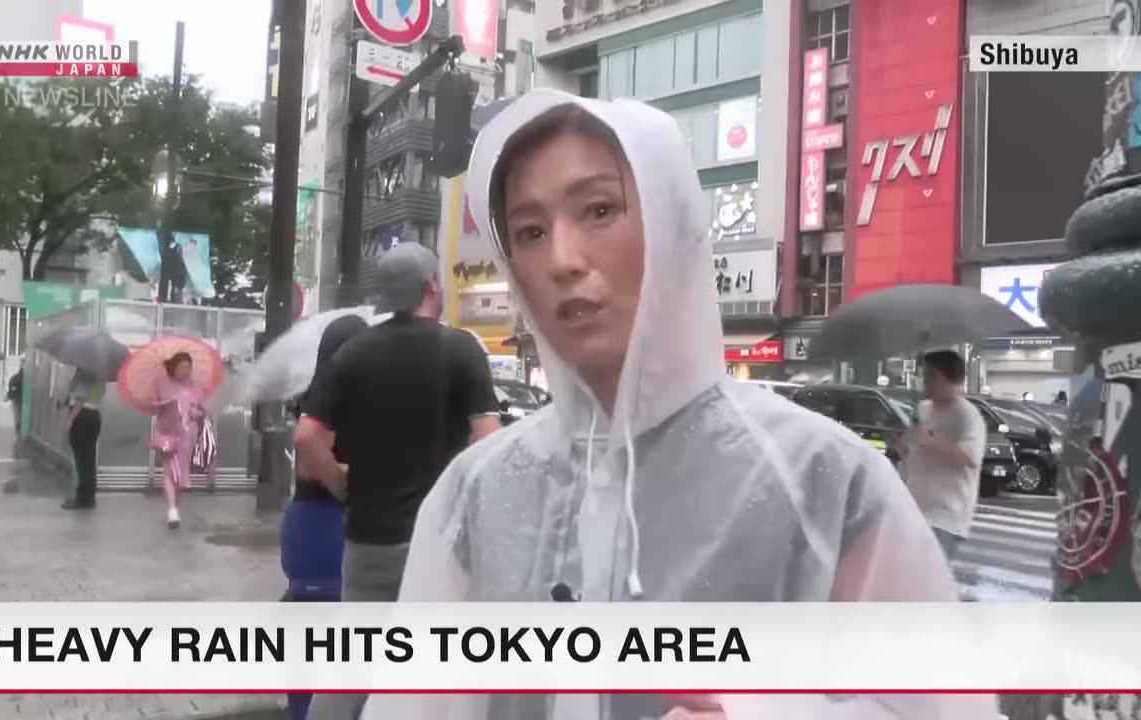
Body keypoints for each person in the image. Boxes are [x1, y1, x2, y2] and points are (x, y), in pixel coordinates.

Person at [361, 91, 996, 720]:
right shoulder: (476, 493)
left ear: (674, 226)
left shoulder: (823, 480)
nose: (562, 259)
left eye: (600, 209)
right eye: (529, 231)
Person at [299, 242, 501, 720]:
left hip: (367, 539)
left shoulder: (353, 352)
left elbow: (308, 435)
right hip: (437, 543)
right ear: (432, 285)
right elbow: (489, 442)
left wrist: (339, 483)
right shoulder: (461, 348)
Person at [283, 314, 369, 720]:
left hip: (304, 523)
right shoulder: (351, 397)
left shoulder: (313, 394)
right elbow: (309, 458)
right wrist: (346, 482)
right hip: (333, 525)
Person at [902, 350, 987, 561]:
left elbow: (969, 457)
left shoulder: (966, 414)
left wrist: (929, 442)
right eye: (925, 377)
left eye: (933, 377)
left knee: (927, 584)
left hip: (944, 516)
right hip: (916, 508)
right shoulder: (923, 409)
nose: (927, 383)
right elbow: (913, 445)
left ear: (953, 380)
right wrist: (905, 445)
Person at [154, 352, 206, 528]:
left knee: (181, 476)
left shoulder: (196, 389)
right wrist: (167, 403)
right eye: (182, 367)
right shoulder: (162, 383)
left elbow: (202, 412)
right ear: (173, 367)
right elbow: (154, 405)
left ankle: (175, 506)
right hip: (168, 433)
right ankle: (171, 509)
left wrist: (195, 413)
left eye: (188, 367)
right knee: (169, 471)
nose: (185, 371)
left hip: (187, 435)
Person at [62, 368, 104, 510]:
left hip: (82, 417)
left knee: (81, 460)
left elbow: (80, 401)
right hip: (94, 416)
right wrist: (65, 402)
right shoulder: (100, 377)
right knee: (88, 459)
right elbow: (94, 396)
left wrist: (70, 421)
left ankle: (83, 498)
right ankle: (88, 497)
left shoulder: (84, 375)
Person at [6, 363, 24, 446]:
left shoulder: (14, 377)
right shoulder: (27, 378)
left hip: (15, 400)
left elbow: (10, 387)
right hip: (23, 400)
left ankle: (17, 433)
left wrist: (9, 396)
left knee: (17, 417)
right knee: (21, 417)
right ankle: (20, 432)